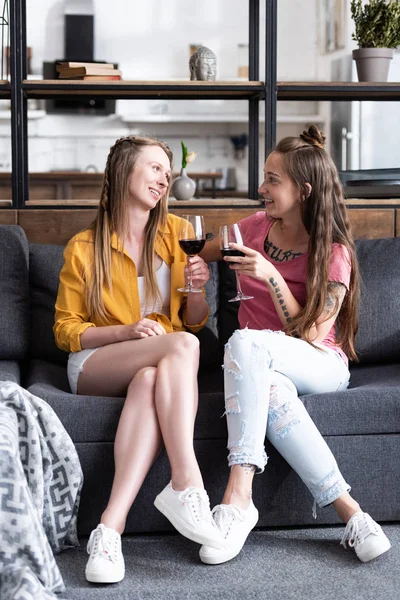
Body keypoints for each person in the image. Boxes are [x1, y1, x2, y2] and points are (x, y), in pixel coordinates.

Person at [199, 125, 391, 565]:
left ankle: (238, 496)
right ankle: (353, 514)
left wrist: (268, 275)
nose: (261, 189)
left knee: (245, 342)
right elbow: (202, 250)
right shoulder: (255, 227)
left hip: (321, 361)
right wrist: (192, 267)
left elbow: (308, 336)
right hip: (268, 369)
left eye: (272, 180)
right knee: (268, 388)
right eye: (264, 177)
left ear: (303, 190)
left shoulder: (333, 251)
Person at [53, 135, 223, 584]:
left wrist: (196, 289)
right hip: (96, 362)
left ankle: (109, 529)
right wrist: (126, 331)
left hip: (157, 359)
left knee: (152, 376)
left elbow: (194, 321)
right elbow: (66, 331)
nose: (164, 178)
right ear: (123, 172)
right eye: (154, 168)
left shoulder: (179, 234)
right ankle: (186, 482)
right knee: (183, 347)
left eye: (167, 172)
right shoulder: (84, 248)